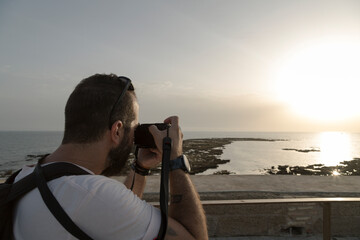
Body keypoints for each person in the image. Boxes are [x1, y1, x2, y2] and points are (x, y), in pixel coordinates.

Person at [12, 74, 208, 240]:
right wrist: (175, 158)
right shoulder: (95, 197)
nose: (133, 139)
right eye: (133, 129)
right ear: (117, 130)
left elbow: (113, 210)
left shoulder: (23, 177)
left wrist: (140, 168)